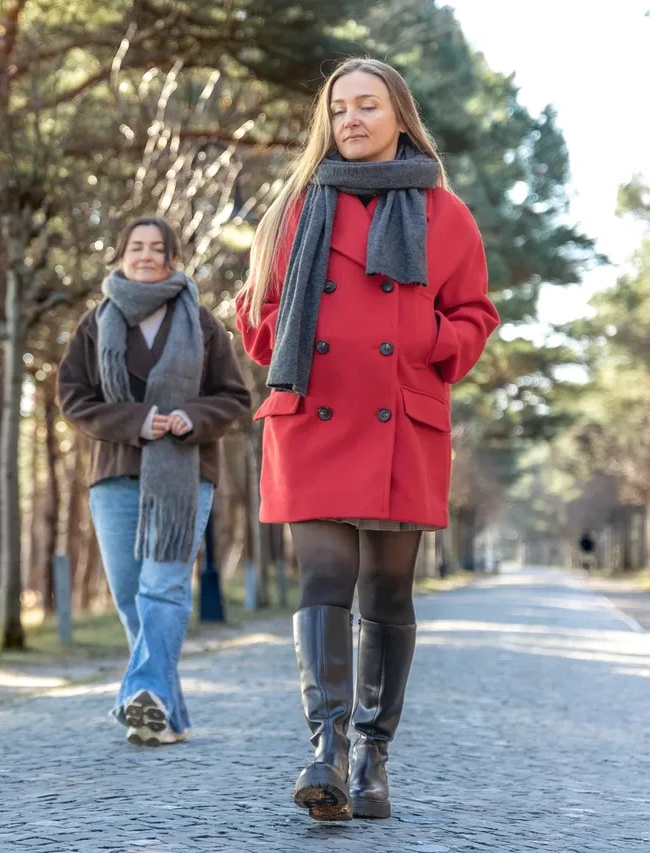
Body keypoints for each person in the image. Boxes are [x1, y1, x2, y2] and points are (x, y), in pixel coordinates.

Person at [235, 58, 499, 821]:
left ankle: (371, 758)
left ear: (399, 117)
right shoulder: (293, 209)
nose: (350, 119)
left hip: (400, 418)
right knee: (323, 576)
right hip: (311, 411)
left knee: (386, 589)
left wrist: (424, 334)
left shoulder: (444, 213)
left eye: (367, 105)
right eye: (339, 107)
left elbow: (475, 315)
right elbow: (258, 314)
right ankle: (326, 749)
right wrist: (275, 324)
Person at [59, 216, 252, 746]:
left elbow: (234, 397)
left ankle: (141, 695)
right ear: (121, 255)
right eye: (136, 247)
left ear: (172, 258)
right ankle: (165, 716)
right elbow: (74, 398)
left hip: (185, 473)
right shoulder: (96, 322)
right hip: (116, 472)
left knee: (161, 589)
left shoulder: (201, 322)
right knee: (130, 597)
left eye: (156, 248)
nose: (146, 255)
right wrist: (139, 421)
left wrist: (191, 417)